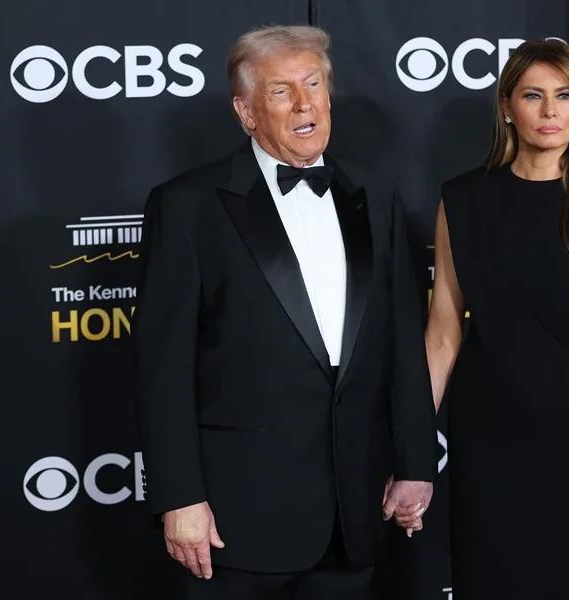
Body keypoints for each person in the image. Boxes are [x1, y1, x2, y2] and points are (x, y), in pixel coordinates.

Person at [135, 25, 436, 600]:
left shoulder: (375, 193)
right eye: (281, 91)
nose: (305, 104)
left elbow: (403, 339)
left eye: (314, 84)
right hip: (235, 518)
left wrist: (416, 463)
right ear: (246, 112)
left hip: (356, 510)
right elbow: (162, 369)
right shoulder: (187, 206)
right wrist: (179, 497)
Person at [424, 38, 569, 599]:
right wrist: (410, 449)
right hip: (486, 435)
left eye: (565, 96)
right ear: (507, 106)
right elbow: (443, 334)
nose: (550, 111)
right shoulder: (462, 200)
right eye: (533, 95)